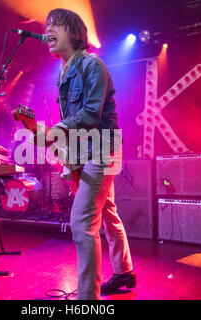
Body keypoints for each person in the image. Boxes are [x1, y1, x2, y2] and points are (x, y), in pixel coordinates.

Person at [43, 9, 136, 300]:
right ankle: (124, 272)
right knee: (107, 213)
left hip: (102, 150)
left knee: (83, 222)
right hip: (85, 152)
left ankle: (87, 300)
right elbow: (73, 124)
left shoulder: (91, 65)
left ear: (71, 31)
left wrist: (55, 130)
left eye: (53, 26)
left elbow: (90, 114)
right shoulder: (63, 72)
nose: (47, 32)